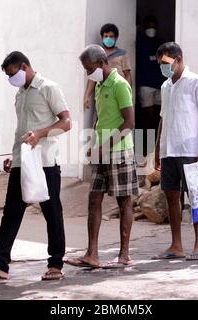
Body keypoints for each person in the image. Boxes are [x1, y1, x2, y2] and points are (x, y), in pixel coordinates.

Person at [0, 51, 71, 281]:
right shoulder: (20, 93)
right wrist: (13, 156)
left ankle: (56, 265)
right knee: (11, 212)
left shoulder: (48, 87)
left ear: (24, 67)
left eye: (12, 74)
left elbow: (67, 122)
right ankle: (0, 265)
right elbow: (21, 130)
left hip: (45, 161)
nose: (11, 79)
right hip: (22, 161)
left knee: (52, 213)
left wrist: (40, 134)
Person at [66, 44, 138, 269]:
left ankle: (124, 255)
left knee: (124, 200)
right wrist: (94, 144)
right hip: (101, 151)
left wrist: (104, 146)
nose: (89, 73)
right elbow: (102, 117)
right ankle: (92, 254)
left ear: (101, 63)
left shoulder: (119, 85)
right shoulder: (99, 85)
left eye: (90, 69)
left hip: (119, 152)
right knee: (93, 201)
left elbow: (129, 123)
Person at [153, 42, 198, 261]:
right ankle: (176, 245)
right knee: (171, 196)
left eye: (166, 63)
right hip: (170, 148)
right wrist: (158, 147)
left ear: (178, 59)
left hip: (190, 148)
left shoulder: (197, 81)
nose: (163, 67)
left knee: (195, 196)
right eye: (160, 63)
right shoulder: (165, 86)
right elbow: (163, 117)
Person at [83, 23, 132, 109]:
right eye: (106, 36)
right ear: (102, 37)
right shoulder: (97, 54)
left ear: (116, 38)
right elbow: (92, 77)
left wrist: (128, 93)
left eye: (111, 36)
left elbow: (127, 74)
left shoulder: (122, 54)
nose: (108, 39)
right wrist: (87, 96)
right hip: (102, 92)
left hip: (118, 91)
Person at [136, 15, 166, 155]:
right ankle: (145, 147)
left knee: (159, 116)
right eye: (149, 26)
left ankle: (156, 145)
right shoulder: (139, 42)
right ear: (144, 27)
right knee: (147, 116)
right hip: (145, 84)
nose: (151, 29)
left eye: (153, 26)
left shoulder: (161, 43)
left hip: (160, 84)